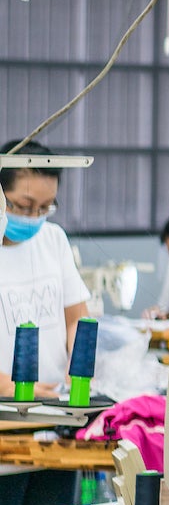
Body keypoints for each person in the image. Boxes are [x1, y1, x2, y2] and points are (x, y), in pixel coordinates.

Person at [0, 141, 93, 398]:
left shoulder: (53, 239)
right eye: (24, 206)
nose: (33, 217)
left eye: (44, 208)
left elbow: (76, 317)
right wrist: (9, 388)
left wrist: (78, 370)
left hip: (57, 400)